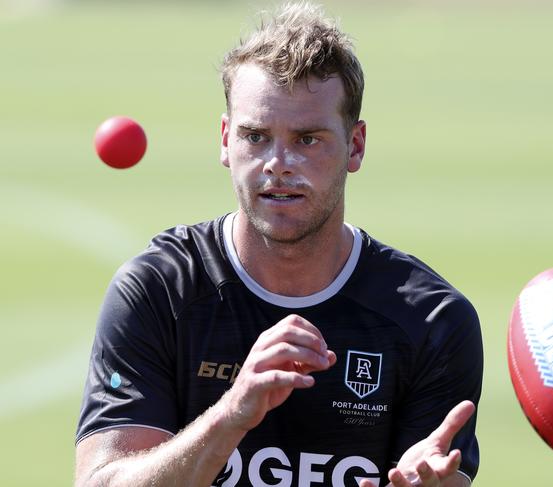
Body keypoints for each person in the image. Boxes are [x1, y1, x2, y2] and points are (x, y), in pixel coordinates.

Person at [75, 3, 483, 486]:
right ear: (226, 141)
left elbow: (437, 476)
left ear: (356, 146)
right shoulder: (159, 291)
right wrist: (231, 414)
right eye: (256, 136)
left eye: (308, 139)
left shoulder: (432, 320)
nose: (278, 163)